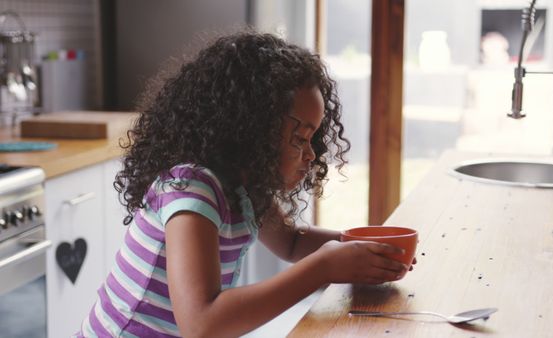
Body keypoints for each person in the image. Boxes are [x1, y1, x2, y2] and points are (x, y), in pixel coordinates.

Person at [77, 31, 414, 338]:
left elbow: (292, 243)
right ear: (251, 130)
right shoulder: (191, 189)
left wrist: (360, 249)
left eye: (313, 139)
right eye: (300, 138)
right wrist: (323, 266)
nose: (311, 154)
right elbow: (202, 323)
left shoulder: (246, 186)